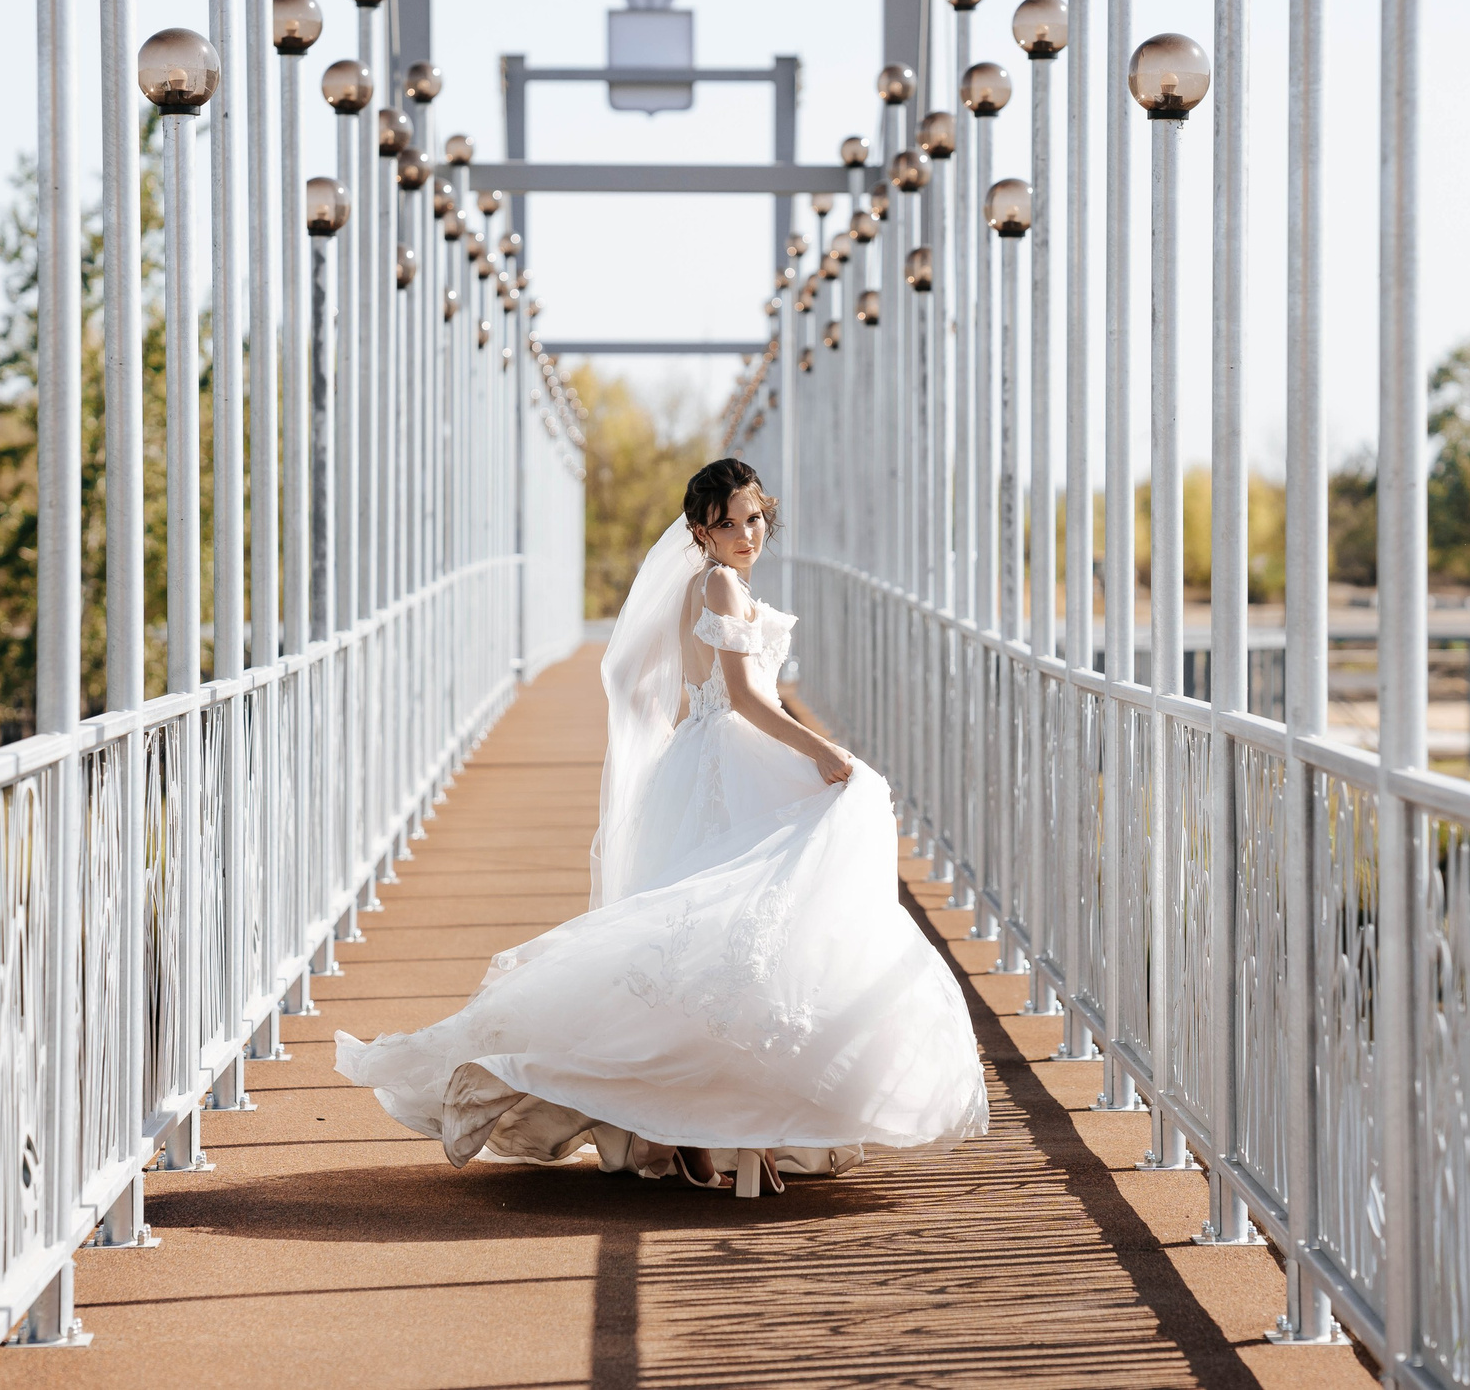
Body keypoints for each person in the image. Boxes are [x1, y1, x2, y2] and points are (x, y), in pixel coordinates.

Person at [334, 458, 987, 1196]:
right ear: (702, 530)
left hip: (715, 758)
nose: (748, 533)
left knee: (729, 940)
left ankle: (713, 1133)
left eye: (756, 517)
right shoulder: (715, 582)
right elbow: (740, 694)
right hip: (728, 760)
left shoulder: (713, 584)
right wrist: (822, 749)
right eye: (730, 522)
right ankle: (728, 1131)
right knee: (738, 931)